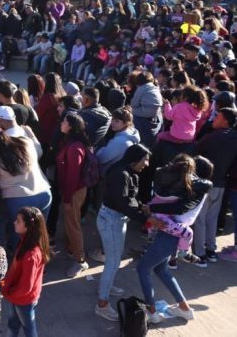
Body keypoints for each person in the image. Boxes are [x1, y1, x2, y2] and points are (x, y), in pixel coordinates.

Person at [136, 154, 211, 323]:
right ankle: (184, 309)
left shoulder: (191, 189)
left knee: (142, 269)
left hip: (168, 233)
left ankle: (152, 312)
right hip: (172, 233)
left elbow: (177, 206)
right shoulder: (195, 188)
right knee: (161, 270)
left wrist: (151, 207)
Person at [93, 144, 155, 321]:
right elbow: (123, 203)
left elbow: (130, 198)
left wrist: (142, 207)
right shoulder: (121, 174)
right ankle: (102, 305)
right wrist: (146, 219)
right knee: (113, 262)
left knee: (114, 259)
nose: (147, 164)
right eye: (145, 160)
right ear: (135, 159)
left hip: (117, 220)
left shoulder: (129, 171)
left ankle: (107, 285)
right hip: (112, 220)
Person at [0, 127, 51, 251]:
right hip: (44, 194)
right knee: (39, 232)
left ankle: (20, 262)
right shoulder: (25, 142)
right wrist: (31, 133)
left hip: (17, 200)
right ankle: (40, 261)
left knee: (18, 236)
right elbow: (39, 152)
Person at [194, 107, 237, 263]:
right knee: (212, 218)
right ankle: (211, 249)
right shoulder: (234, 138)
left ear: (225, 120)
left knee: (200, 219)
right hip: (221, 183)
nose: (214, 119)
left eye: (217, 116)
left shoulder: (210, 138)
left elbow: (195, 151)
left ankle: (199, 253)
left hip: (204, 183)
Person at [1, 207, 51, 337]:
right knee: (13, 323)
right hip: (20, 297)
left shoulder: (30, 255)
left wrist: (8, 293)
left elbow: (26, 287)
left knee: (29, 329)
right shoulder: (26, 242)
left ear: (28, 226)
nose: (14, 222)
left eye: (18, 221)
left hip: (22, 299)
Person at [56, 113, 90, 277]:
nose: (61, 123)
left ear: (71, 126)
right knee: (71, 223)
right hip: (72, 190)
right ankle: (73, 250)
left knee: (73, 225)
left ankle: (80, 260)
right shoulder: (70, 142)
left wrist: (68, 197)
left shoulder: (74, 147)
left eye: (64, 122)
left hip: (74, 191)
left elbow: (73, 176)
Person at [130, 71, 163, 147]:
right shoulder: (155, 87)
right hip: (157, 112)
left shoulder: (141, 88)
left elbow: (134, 104)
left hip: (146, 112)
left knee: (130, 111)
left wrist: (131, 108)